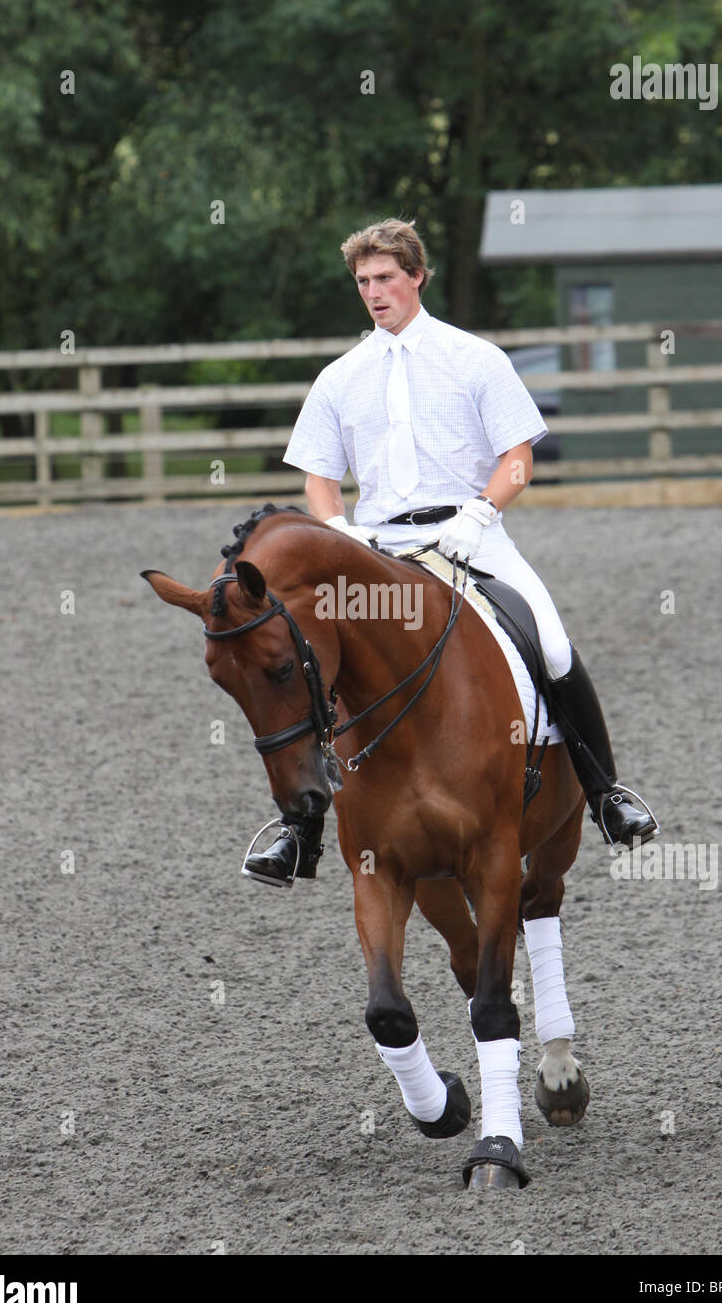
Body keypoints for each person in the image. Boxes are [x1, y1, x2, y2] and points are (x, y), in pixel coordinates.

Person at [244, 218, 657, 885]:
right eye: (362, 282)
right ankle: (297, 831)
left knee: (549, 643)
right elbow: (317, 475)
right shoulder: (339, 378)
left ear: (416, 278)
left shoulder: (477, 360)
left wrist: (483, 510)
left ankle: (607, 793)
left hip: (471, 536)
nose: (374, 292)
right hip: (379, 549)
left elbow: (518, 458)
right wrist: (337, 526)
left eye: (384, 279)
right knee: (310, 665)